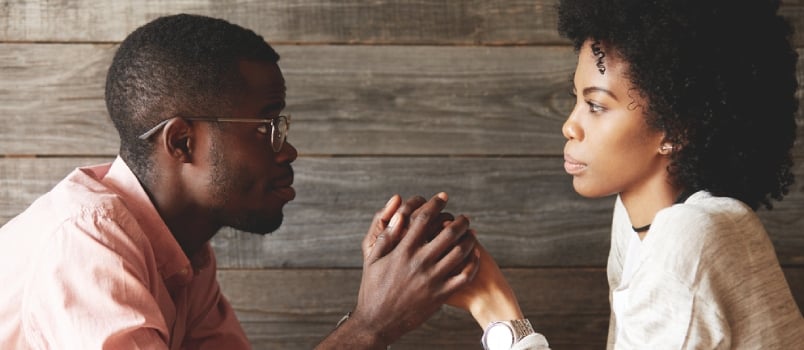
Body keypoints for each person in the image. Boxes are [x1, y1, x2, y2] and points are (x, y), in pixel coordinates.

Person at [0, 14, 481, 349]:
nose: (286, 149)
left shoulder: (185, 256)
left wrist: (376, 315)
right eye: (267, 127)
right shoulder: (86, 244)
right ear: (182, 141)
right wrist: (371, 325)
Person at [451, 0, 804, 348]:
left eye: (596, 105)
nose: (569, 126)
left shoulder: (685, 239)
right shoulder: (638, 221)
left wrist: (494, 306)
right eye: (576, 98)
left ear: (675, 131)